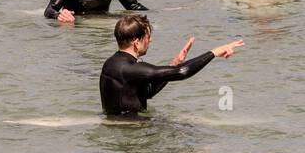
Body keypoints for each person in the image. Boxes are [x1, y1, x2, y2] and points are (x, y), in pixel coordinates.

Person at [99, 14, 243, 115]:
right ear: (137, 42)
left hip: (122, 127)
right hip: (131, 132)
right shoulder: (129, 68)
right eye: (148, 37)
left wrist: (174, 63)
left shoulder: (111, 63)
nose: (150, 41)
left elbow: (147, 93)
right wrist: (214, 52)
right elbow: (182, 72)